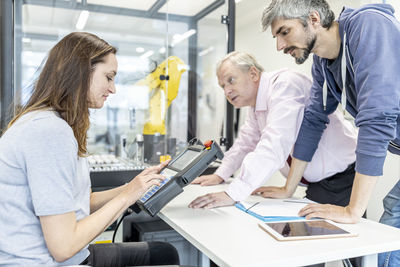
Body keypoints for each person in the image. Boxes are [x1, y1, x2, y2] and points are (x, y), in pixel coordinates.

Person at [0, 32, 179, 267]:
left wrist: (133, 187)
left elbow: (80, 201)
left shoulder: (45, 123)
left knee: (163, 253)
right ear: (81, 73)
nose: (113, 89)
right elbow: (63, 247)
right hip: (44, 261)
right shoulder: (49, 132)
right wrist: (126, 197)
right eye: (108, 77)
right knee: (164, 256)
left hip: (56, 256)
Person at [261, 1, 400, 266]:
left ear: (313, 19)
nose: (279, 46)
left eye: (284, 32)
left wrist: (352, 210)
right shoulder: (323, 63)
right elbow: (314, 119)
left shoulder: (369, 25)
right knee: (392, 220)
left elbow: (377, 117)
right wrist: (289, 188)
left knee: (390, 227)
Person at [188, 51, 357, 211]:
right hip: (317, 184)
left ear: (253, 74)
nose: (227, 91)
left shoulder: (285, 85)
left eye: (231, 80)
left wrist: (233, 193)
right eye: (222, 86)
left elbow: (274, 143)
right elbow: (245, 144)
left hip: (341, 181)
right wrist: (220, 175)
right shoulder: (256, 106)